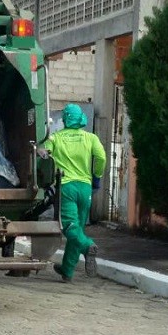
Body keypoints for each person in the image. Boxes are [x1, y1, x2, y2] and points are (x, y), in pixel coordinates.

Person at [42, 103, 106, 283]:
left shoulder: (55, 138)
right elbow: (101, 156)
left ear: (64, 120)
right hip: (85, 187)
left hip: (66, 187)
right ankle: (67, 271)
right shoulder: (90, 137)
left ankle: (87, 247)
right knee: (77, 228)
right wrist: (97, 177)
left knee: (70, 227)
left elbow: (43, 154)